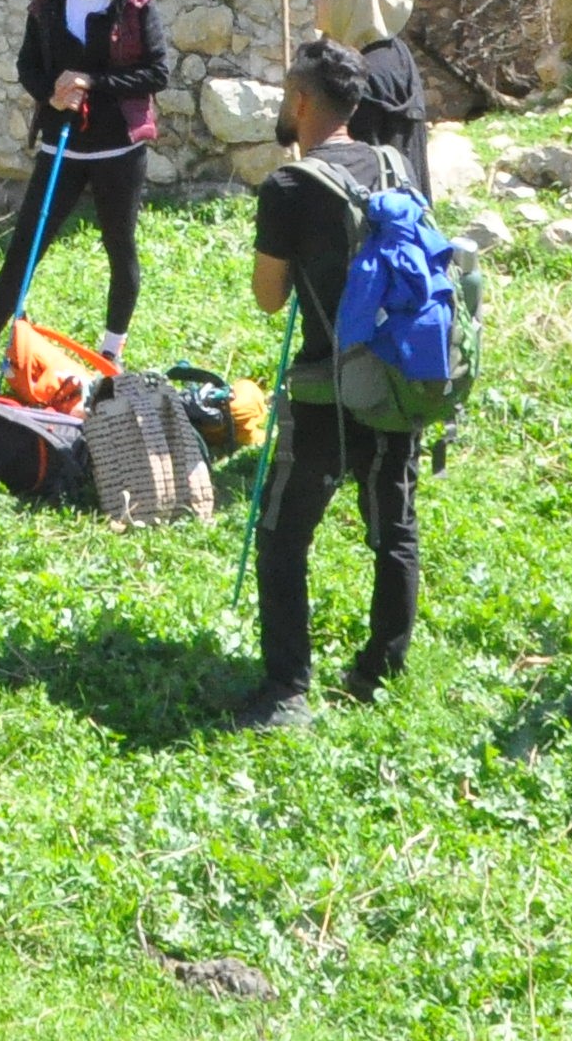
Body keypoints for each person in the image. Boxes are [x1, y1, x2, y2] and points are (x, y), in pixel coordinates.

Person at [235, 38, 429, 729]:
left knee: (283, 536)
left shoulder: (289, 187)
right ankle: (380, 670)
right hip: (400, 378)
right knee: (393, 526)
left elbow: (268, 298)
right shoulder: (396, 165)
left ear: (300, 101)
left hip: (326, 389)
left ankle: (288, 690)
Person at [0, 0, 165, 367]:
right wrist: (51, 95)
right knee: (27, 242)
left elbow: (157, 73)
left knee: (119, 245)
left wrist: (92, 82)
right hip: (62, 143)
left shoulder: (136, 2)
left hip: (118, 147)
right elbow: (27, 65)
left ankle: (111, 349)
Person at [314, 0, 434, 200]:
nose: (315, 2)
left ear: (350, 2)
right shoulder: (395, 52)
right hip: (406, 203)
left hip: (378, 208)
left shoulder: (362, 74)